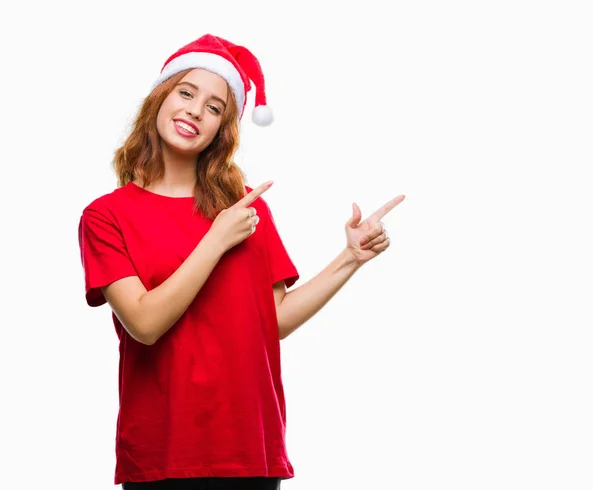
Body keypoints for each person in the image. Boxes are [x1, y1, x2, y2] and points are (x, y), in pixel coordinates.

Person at [78, 34, 405, 489]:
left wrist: (350, 258)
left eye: (214, 107)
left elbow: (273, 319)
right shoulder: (107, 216)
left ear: (221, 130)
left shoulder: (246, 210)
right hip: (163, 454)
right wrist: (215, 240)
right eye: (186, 93)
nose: (195, 110)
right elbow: (144, 323)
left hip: (250, 451)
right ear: (160, 99)